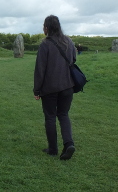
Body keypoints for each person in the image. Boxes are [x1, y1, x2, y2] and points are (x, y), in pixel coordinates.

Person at [33, 15, 76, 160]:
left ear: (47, 27)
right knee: (63, 115)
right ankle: (69, 143)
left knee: (50, 117)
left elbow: (40, 69)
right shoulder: (68, 41)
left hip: (50, 88)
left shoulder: (45, 44)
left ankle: (53, 148)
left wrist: (37, 90)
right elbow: (73, 59)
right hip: (68, 85)